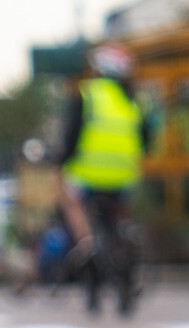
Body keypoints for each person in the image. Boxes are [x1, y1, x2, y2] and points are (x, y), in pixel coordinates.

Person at [55, 43, 152, 281]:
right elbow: (146, 139)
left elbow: (71, 137)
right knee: (121, 212)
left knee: (69, 200)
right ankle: (125, 240)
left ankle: (87, 243)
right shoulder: (134, 102)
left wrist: (60, 163)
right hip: (125, 177)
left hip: (88, 176)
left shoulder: (88, 94)